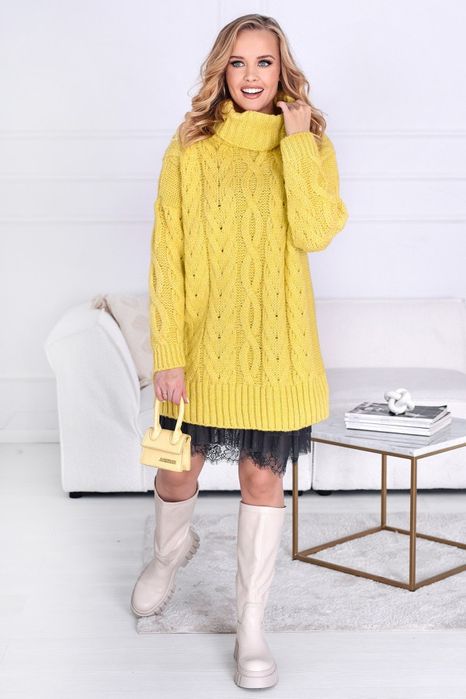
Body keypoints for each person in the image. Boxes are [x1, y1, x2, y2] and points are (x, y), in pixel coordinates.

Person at [131, 13, 348, 689]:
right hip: (200, 350)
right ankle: (169, 554)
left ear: (283, 70)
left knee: (262, 481)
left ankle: (251, 624)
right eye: (238, 62)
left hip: (278, 352)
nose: (251, 76)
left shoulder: (309, 141)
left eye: (264, 62)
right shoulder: (190, 145)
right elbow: (167, 256)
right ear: (220, 70)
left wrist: (298, 143)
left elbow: (315, 232)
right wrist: (168, 352)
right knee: (176, 470)